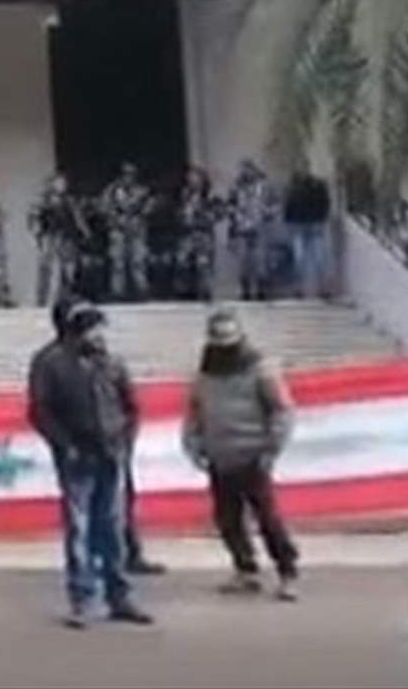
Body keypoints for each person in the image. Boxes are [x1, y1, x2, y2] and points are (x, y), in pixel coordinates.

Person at [26, 302, 153, 628]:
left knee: (112, 525)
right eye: (93, 329)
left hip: (111, 454)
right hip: (76, 458)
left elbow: (131, 406)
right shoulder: (51, 364)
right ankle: (83, 599)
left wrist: (125, 441)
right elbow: (40, 412)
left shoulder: (112, 363)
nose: (99, 335)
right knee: (79, 529)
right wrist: (65, 446)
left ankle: (119, 595)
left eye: (101, 329)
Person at [183, 310, 300, 601]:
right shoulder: (203, 375)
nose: (224, 345)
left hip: (253, 457)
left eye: (228, 338)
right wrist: (194, 446)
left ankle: (287, 571)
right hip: (220, 459)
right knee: (227, 519)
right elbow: (194, 414)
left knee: (268, 519)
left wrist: (271, 448)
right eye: (218, 338)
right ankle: (245, 569)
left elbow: (282, 411)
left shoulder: (261, 370)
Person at [29, 173, 84, 308]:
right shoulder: (43, 201)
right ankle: (41, 300)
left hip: (66, 236)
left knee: (69, 270)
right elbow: (34, 218)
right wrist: (37, 234)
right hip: (50, 236)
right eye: (59, 183)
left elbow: (77, 219)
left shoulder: (69, 200)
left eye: (63, 183)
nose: (62, 185)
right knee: (46, 268)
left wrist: (82, 233)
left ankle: (66, 298)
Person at [101, 164, 153, 302]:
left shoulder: (143, 191)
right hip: (117, 230)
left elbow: (149, 208)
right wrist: (116, 219)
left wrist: (138, 217)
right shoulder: (111, 190)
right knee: (117, 262)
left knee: (139, 261)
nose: (128, 177)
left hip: (137, 230)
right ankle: (117, 292)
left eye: (131, 174)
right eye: (125, 174)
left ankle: (142, 290)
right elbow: (104, 208)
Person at [227, 161, 277, 301]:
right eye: (242, 170)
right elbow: (230, 205)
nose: (245, 173)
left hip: (260, 227)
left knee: (260, 260)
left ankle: (262, 290)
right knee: (243, 261)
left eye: (247, 170)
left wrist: (268, 212)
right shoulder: (236, 187)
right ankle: (245, 290)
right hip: (242, 228)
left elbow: (275, 204)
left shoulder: (264, 186)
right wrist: (235, 215)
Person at [283, 169, 334, 299]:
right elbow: (288, 205)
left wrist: (289, 221)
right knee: (307, 259)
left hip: (310, 224)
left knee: (314, 258)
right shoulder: (297, 186)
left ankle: (319, 289)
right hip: (305, 224)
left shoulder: (300, 186)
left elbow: (325, 204)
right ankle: (309, 289)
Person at [176, 168, 224, 302]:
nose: (192, 182)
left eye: (195, 179)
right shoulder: (184, 196)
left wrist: (203, 217)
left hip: (203, 234)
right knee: (182, 264)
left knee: (203, 264)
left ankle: (205, 293)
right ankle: (186, 293)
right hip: (186, 234)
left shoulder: (210, 196)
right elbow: (177, 212)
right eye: (190, 179)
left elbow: (219, 212)